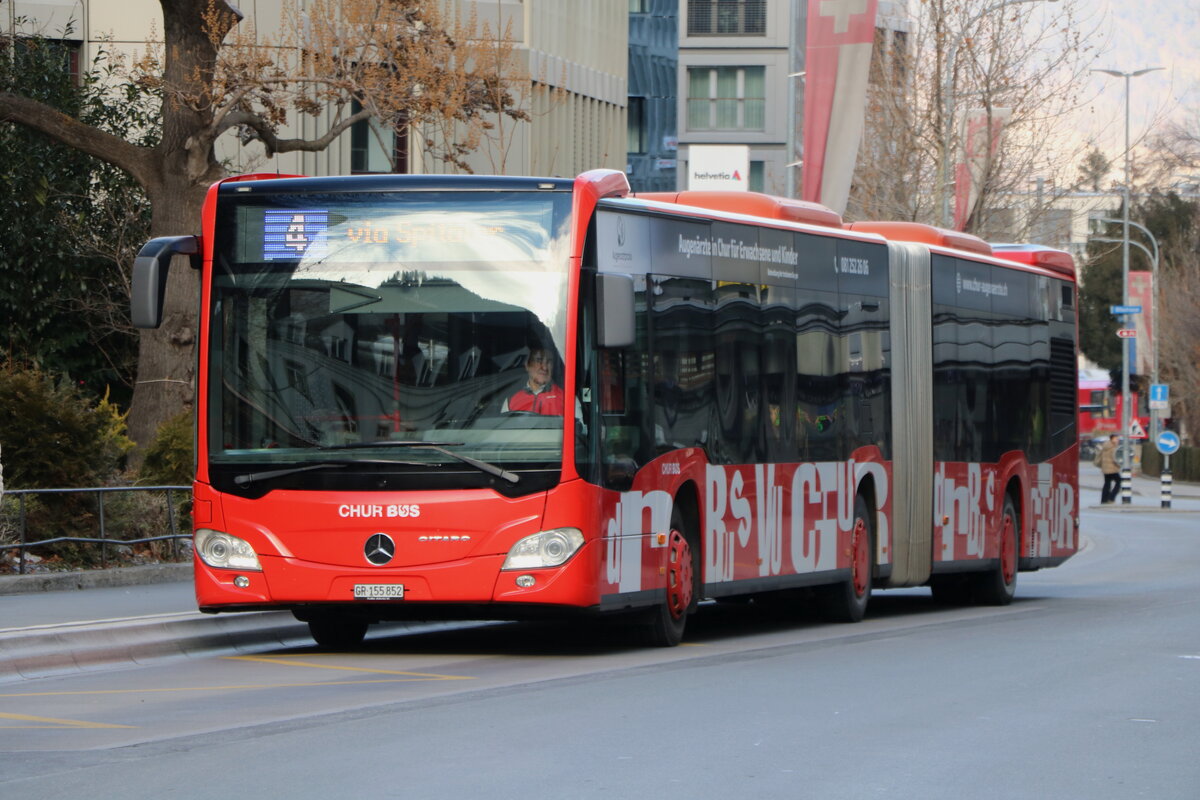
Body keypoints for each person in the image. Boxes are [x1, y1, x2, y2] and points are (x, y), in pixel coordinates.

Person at [503, 347, 564, 415]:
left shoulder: (566, 398)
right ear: (527, 365)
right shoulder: (511, 400)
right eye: (539, 360)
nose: (544, 367)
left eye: (549, 362)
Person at [1098, 433, 1120, 504]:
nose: (1117, 440)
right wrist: (1120, 465)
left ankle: (1104, 499)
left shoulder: (1105, 446)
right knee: (1119, 481)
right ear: (1112, 439)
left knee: (1107, 483)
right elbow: (1115, 458)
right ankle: (1111, 497)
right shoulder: (1112, 447)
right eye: (1116, 438)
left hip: (1105, 468)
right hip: (1112, 469)